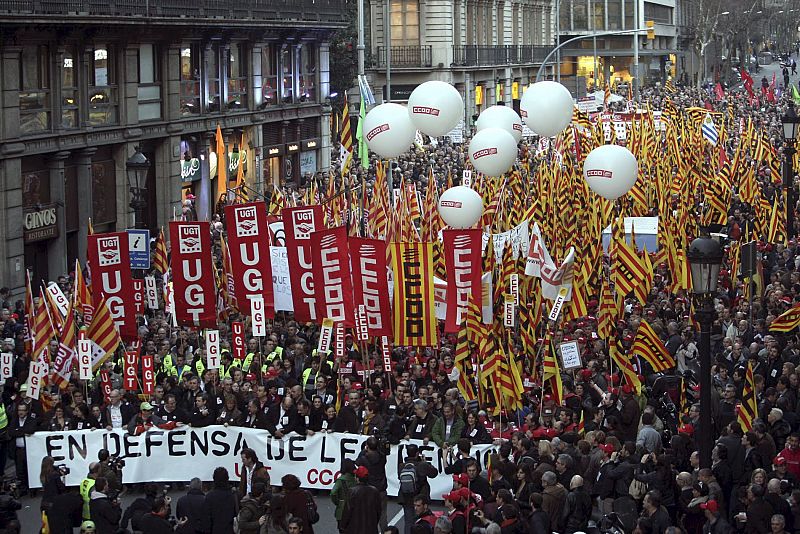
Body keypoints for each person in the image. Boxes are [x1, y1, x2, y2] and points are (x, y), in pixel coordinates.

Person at [399, 444, 437, 534]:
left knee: (408, 523)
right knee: (422, 521)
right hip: (420, 497)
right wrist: (425, 462)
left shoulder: (402, 466)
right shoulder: (422, 465)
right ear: (417, 454)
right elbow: (434, 473)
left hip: (406, 497)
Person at [355, 436, 389, 529]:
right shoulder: (382, 457)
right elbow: (383, 453)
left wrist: (363, 451)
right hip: (381, 489)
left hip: (369, 489)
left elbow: (357, 463)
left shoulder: (363, 458)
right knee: (382, 516)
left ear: (367, 446)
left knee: (369, 516)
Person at [341, 465, 382, 534]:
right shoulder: (375, 491)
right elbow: (378, 511)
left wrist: (343, 526)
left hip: (354, 529)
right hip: (371, 529)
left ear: (357, 478)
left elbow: (347, 512)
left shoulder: (352, 492)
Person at [205, 467, 238, 534]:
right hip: (231, 530)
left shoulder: (210, 496)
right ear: (227, 478)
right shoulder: (234, 495)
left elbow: (206, 518)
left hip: (215, 530)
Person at [331, 459, 358, 532]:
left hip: (342, 509)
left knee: (342, 529)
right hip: (355, 509)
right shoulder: (356, 480)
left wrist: (338, 502)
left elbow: (333, 493)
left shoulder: (340, 480)